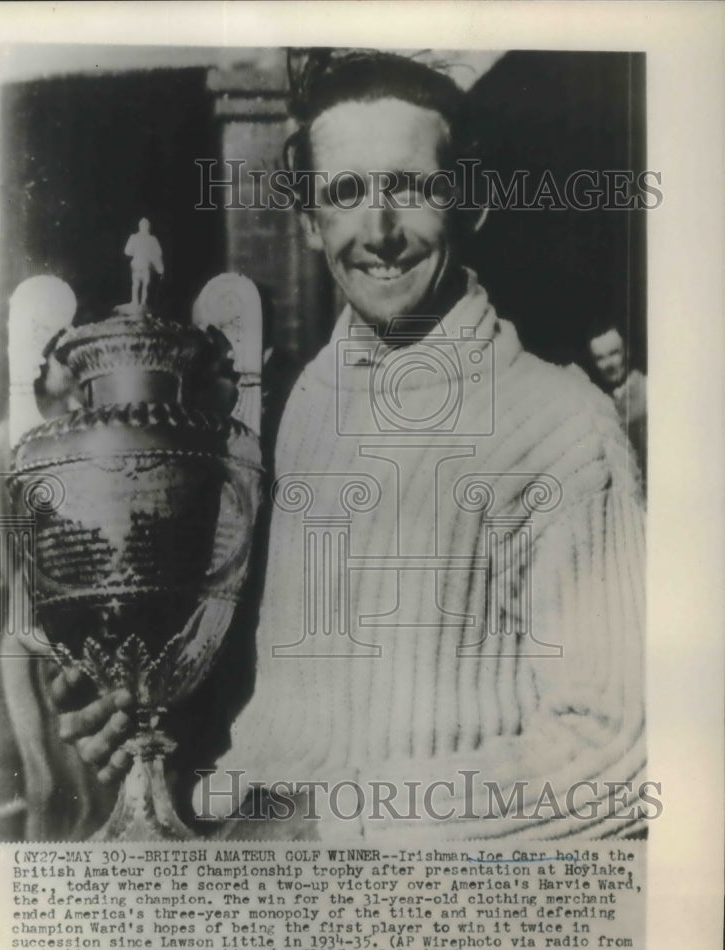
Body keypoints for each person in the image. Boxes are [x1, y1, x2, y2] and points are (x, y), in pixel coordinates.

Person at [54, 49, 647, 841]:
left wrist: (338, 830)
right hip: (277, 909)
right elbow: (292, 735)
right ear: (308, 221)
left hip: (454, 931)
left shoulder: (563, 426)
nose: (380, 231)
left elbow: (617, 753)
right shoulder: (308, 412)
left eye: (410, 186)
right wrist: (158, 742)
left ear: (469, 202)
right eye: (345, 192)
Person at [587, 324, 647, 483]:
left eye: (614, 353)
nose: (608, 364)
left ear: (628, 352)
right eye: (600, 358)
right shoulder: (598, 405)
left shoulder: (649, 392)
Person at [124, 217, 164, 309]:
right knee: (141, 284)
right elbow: (127, 251)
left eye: (146, 225)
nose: (146, 227)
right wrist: (160, 268)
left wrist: (160, 268)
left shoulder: (146, 238)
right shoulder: (147, 239)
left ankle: (139, 303)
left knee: (141, 284)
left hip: (141, 265)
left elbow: (158, 255)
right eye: (145, 225)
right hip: (142, 265)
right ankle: (138, 302)